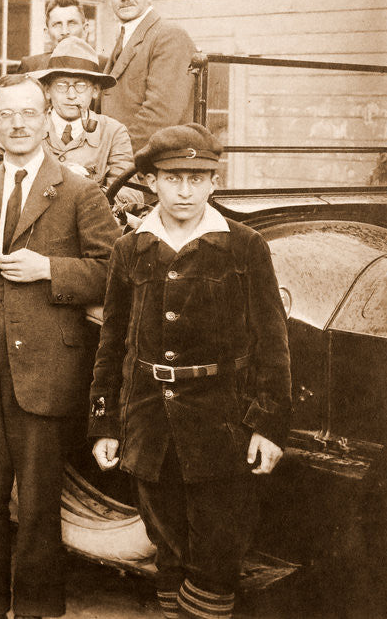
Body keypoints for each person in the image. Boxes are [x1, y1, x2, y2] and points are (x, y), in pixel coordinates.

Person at [0, 74, 120, 619]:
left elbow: (113, 272)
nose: (16, 124)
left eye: (28, 113)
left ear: (47, 116)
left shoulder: (79, 191)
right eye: (5, 114)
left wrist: (49, 269)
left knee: (37, 501)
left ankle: (35, 607)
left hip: (47, 370)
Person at [89, 123, 291, 619]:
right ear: (152, 181)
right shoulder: (129, 249)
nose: (186, 190)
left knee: (217, 551)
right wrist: (105, 423)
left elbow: (273, 342)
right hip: (149, 419)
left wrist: (268, 424)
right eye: (174, 177)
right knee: (167, 543)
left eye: (198, 179)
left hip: (223, 422)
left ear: (213, 184)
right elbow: (112, 343)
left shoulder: (244, 247)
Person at [0, 37, 140, 208]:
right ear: (47, 91)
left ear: (95, 91)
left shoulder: (113, 132)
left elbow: (131, 192)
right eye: (62, 85)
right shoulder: (27, 124)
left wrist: (84, 192)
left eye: (80, 86)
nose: (71, 95)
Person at [101, 0, 196, 151]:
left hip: (146, 164)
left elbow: (161, 115)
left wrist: (116, 156)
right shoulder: (126, 36)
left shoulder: (169, 35)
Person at [16, 0, 89, 73]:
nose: (64, 31)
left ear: (85, 29)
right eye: (57, 24)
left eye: (72, 23)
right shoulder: (31, 66)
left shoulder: (100, 65)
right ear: (47, 33)